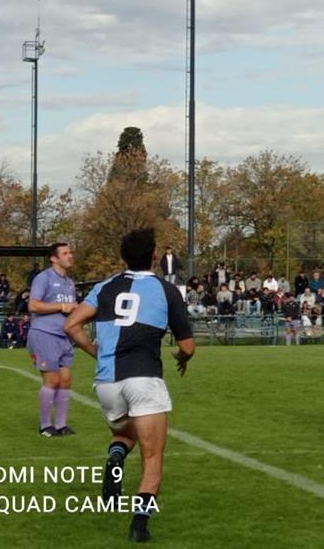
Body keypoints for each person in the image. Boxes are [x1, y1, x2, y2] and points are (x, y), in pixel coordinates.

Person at [64, 227, 195, 544]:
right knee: (153, 458)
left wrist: (97, 352)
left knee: (124, 433)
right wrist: (181, 356)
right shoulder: (167, 290)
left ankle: (115, 458)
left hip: (107, 381)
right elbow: (188, 346)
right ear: (154, 256)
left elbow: (71, 325)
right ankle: (140, 523)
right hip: (144, 377)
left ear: (123, 257)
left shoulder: (105, 286)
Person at [29, 243, 80, 436]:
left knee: (66, 380)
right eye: (65, 253)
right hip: (44, 334)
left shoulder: (69, 282)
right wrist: (61, 306)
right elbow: (33, 305)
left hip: (63, 335)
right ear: (54, 258)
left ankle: (61, 425)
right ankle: (45, 426)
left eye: (70, 252)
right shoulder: (44, 278)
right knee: (52, 380)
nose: (70, 256)